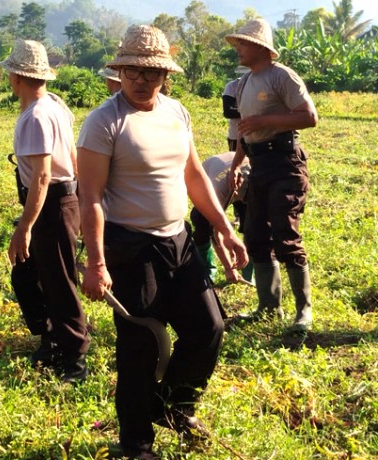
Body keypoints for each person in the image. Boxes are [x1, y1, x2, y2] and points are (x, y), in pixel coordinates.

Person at [76, 25, 248, 459]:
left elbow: (192, 176)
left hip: (179, 241)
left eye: (150, 73)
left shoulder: (176, 113)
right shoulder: (104, 122)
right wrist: (96, 263)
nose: (140, 80)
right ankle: (135, 444)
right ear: (120, 70)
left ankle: (173, 406)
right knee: (140, 346)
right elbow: (90, 196)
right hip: (130, 248)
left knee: (208, 327)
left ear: (163, 76)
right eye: (132, 71)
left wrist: (224, 227)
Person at [0, 39, 89, 382]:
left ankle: (74, 357)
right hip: (60, 201)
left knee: (60, 282)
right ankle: (52, 335)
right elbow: (73, 156)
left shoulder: (37, 116)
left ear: (16, 77)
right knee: (27, 274)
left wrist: (24, 228)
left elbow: (42, 177)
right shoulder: (55, 105)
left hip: (51, 203)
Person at [224, 18, 318, 330]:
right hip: (258, 165)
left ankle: (303, 311)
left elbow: (308, 117)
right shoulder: (243, 84)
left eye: (243, 43)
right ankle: (268, 307)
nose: (237, 48)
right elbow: (244, 131)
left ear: (260, 47)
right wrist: (237, 164)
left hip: (284, 163)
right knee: (255, 236)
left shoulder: (282, 77)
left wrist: (268, 122)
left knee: (285, 236)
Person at [189, 152, 253, 284]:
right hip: (212, 172)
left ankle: (248, 272)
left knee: (254, 227)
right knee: (202, 221)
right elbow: (216, 232)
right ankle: (207, 270)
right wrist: (228, 267)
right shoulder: (218, 191)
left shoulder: (259, 179)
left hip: (236, 171)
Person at [221, 66, 249, 151]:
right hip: (236, 135)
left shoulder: (262, 86)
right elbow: (228, 112)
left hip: (258, 136)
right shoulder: (232, 86)